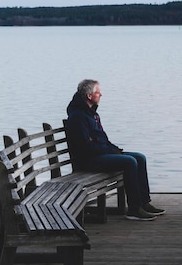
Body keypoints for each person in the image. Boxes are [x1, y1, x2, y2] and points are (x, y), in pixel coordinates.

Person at [65, 79, 165, 221]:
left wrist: (114, 150)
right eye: (98, 92)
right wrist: (110, 151)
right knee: (129, 162)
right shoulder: (78, 116)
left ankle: (144, 202)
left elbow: (101, 140)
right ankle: (134, 209)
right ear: (89, 96)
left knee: (139, 157)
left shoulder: (91, 114)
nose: (101, 95)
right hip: (88, 161)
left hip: (100, 154)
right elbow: (86, 147)